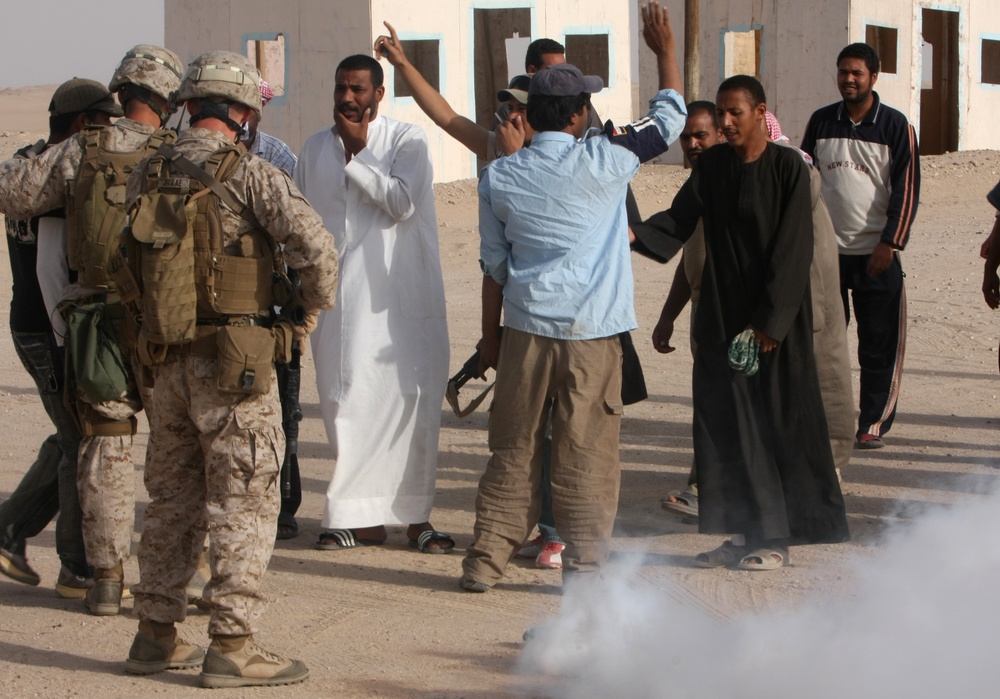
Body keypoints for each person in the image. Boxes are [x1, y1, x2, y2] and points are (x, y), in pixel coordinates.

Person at [121, 50, 338, 687]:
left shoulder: (146, 173)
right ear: (241, 112)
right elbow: (320, 257)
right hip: (235, 369)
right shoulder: (251, 174)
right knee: (243, 503)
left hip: (166, 365)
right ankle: (232, 645)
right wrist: (301, 320)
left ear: (189, 104)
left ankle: (156, 635)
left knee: (171, 503)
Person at [459, 37, 687, 592]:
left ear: (530, 114)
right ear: (581, 114)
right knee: (587, 453)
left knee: (513, 449)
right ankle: (583, 570)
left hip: (525, 332)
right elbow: (670, 118)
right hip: (593, 336)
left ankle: (485, 562)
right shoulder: (608, 159)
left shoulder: (499, 176)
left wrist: (489, 342)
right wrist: (665, 53)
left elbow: (495, 268)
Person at [631, 75, 849, 570]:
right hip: (721, 320)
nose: (725, 122)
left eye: (736, 113)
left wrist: (770, 323)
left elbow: (795, 250)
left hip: (774, 328)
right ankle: (746, 533)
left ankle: (775, 538)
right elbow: (678, 220)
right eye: (721, 113)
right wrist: (628, 234)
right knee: (727, 428)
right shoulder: (712, 168)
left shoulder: (789, 169)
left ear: (760, 113)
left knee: (773, 426)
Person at [0, 45, 184, 616]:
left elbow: (13, 192)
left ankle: (97, 576)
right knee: (167, 455)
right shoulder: (183, 154)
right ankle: (158, 575)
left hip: (89, 326)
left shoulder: (81, 151)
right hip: (160, 328)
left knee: (97, 446)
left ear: (124, 89)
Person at [295, 54, 452, 554]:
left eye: (358, 90)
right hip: (339, 307)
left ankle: (415, 517)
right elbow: (300, 221)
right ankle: (354, 517)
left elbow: (401, 203)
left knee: (409, 404)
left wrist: (359, 152)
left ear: (379, 94)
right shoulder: (316, 147)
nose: (348, 98)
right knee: (346, 402)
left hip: (401, 304)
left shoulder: (407, 141)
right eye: (342, 87)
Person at [0, 79, 121, 598]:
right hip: (47, 324)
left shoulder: (23, 163)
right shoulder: (63, 173)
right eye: (105, 123)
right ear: (82, 126)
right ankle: (75, 565)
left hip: (34, 320)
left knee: (73, 431)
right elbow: (53, 267)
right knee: (79, 436)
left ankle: (11, 531)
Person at [801, 42, 920, 450]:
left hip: (877, 255)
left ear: (874, 76)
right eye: (843, 72)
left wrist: (890, 243)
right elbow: (805, 178)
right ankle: (823, 416)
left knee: (877, 344)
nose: (848, 79)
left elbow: (907, 190)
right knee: (824, 340)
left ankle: (872, 421)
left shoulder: (895, 126)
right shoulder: (821, 122)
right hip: (826, 255)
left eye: (856, 73)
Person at [650, 100, 725, 519]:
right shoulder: (698, 186)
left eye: (702, 135)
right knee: (710, 400)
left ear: (720, 133)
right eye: (687, 137)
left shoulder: (730, 182)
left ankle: (704, 488)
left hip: (733, 315)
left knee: (724, 402)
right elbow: (688, 254)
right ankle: (705, 486)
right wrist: (668, 315)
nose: (693, 144)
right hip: (703, 313)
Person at [240, 79, 302, 542]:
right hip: (219, 308)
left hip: (274, 303)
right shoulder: (186, 154)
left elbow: (301, 236)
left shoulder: (277, 158)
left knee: (284, 406)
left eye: (250, 107)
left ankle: (284, 504)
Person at [242, 79, 297, 176]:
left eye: (249, 110)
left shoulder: (278, 154)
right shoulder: (213, 146)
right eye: (237, 110)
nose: (242, 118)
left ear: (260, 113)